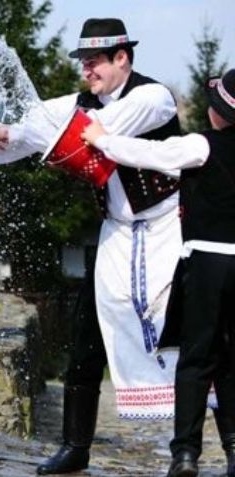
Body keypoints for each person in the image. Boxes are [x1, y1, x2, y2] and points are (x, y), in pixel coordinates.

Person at [0, 18, 232, 475]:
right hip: (117, 232)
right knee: (87, 338)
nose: (87, 70)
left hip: (167, 231)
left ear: (123, 58)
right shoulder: (79, 103)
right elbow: (26, 130)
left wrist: (9, 132)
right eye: (84, 62)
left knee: (204, 342)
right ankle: (76, 447)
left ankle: (230, 448)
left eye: (96, 61)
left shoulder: (152, 97)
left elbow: (86, 135)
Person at [80, 68, 235, 477]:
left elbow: (150, 154)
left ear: (218, 112)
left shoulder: (203, 145)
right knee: (231, 359)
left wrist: (102, 140)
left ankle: (185, 453)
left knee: (196, 359)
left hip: (207, 261)